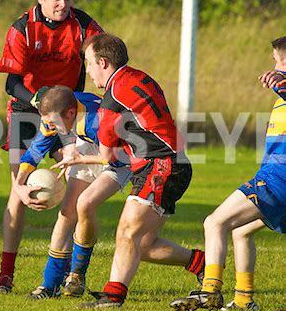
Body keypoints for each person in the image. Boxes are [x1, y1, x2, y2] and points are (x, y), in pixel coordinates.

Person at [53, 33, 197, 308]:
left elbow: (108, 157)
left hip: (161, 164)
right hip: (170, 163)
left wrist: (78, 158)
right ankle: (204, 265)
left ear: (103, 62)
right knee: (142, 245)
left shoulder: (111, 101)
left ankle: (112, 297)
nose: (88, 70)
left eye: (89, 63)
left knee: (127, 231)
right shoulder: (140, 77)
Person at [24, 86, 204, 298]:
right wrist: (19, 187)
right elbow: (34, 152)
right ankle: (51, 284)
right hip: (94, 149)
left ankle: (77, 274)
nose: (48, 124)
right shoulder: (55, 111)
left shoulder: (94, 120)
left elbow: (117, 157)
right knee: (67, 212)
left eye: (52, 121)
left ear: (69, 112)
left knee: (87, 204)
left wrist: (78, 159)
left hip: (121, 159)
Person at [0, 0, 103, 293]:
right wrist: (37, 100)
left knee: (77, 195)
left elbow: (103, 60)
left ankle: (70, 273)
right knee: (18, 193)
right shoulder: (22, 27)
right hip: (27, 110)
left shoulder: (83, 26)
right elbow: (11, 82)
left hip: (70, 112)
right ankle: (5, 275)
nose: (63, 4)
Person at [170, 36, 286, 311]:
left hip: (278, 178)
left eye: (280, 60)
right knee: (241, 230)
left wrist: (281, 80)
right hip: (275, 176)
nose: (276, 66)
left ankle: (210, 291)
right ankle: (245, 300)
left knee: (214, 222)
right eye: (275, 62)